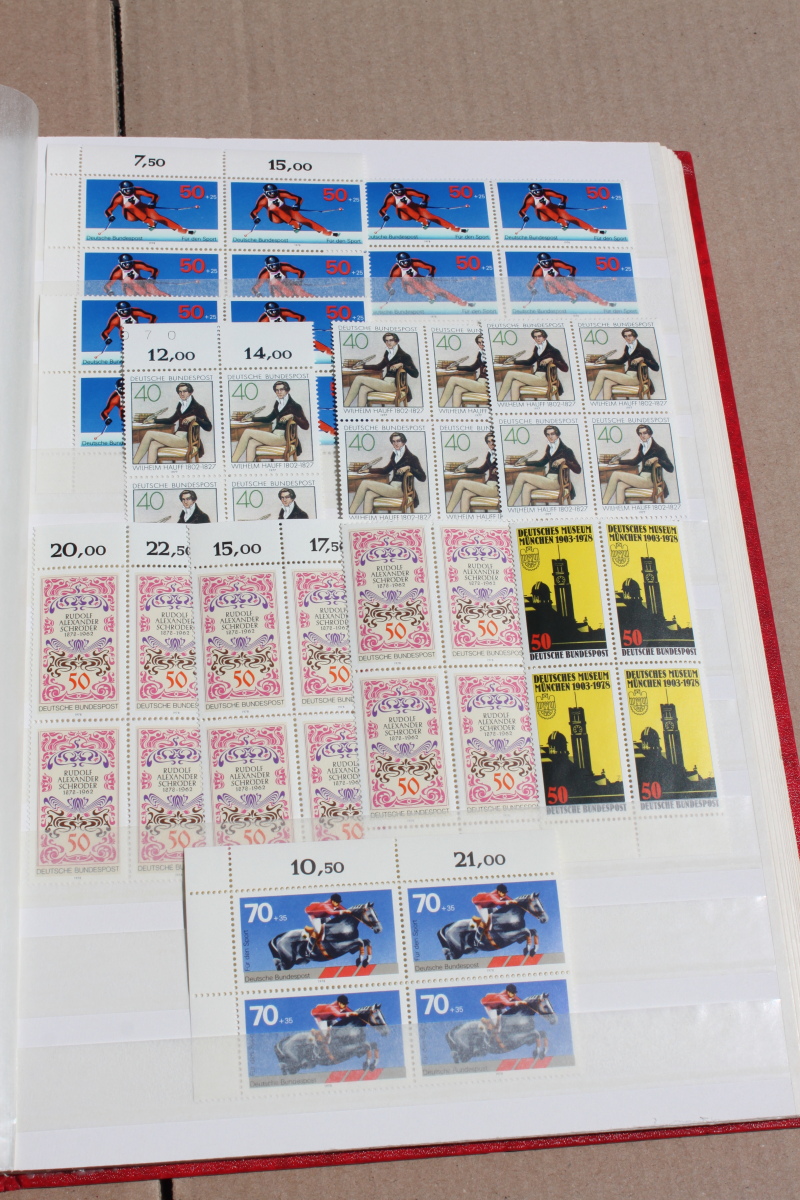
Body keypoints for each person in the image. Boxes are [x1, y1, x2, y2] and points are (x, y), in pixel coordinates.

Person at [133, 382, 213, 464]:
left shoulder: (198, 408)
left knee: (149, 433)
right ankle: (150, 468)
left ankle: (135, 463)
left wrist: (195, 418)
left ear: (190, 392)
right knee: (153, 444)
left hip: (186, 440)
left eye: (184, 391)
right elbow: (171, 420)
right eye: (180, 392)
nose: (182, 394)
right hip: (177, 437)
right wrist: (154, 421)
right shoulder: (181, 405)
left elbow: (209, 427)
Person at [231, 380, 310, 463]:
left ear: (287, 390)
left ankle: (233, 461)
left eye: (281, 389)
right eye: (277, 390)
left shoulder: (295, 406)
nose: (279, 392)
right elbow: (268, 418)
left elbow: (306, 426)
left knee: (247, 431)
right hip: (275, 436)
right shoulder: (278, 403)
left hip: (284, 438)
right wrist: (251, 419)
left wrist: (292, 416)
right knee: (252, 442)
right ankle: (248, 467)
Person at [349, 431, 426, 514]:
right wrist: (368, 470)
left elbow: (423, 477)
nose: (395, 444)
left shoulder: (412, 458)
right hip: (392, 487)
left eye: (398, 441)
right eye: (393, 441)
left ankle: (351, 513)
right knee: (369, 494)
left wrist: (409, 467)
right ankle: (365, 518)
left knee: (365, 483)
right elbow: (385, 470)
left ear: (403, 442)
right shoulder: (395, 455)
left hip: (401, 490)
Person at [507, 425, 582, 506]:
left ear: (557, 435)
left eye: (552, 434)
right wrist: (525, 463)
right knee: (526, 486)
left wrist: (564, 460)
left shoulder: (567, 450)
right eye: (548, 434)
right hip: (548, 479)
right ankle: (525, 511)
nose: (550, 437)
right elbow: (542, 462)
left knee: (522, 475)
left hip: (557, 482)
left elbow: (578, 470)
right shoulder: (550, 448)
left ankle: (509, 506)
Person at [601, 424, 674, 504]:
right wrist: (618, 462)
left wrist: (657, 459)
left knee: (615, 474)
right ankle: (620, 509)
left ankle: (604, 504)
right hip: (642, 478)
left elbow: (671, 468)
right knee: (620, 485)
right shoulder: (643, 446)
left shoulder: (659, 449)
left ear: (650, 434)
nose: (642, 436)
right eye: (640, 434)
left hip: (651, 480)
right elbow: (635, 461)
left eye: (645, 433)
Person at [343, 331, 420, 407]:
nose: (388, 343)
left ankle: (345, 406)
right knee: (363, 388)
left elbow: (415, 374)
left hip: (394, 385)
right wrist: (363, 367)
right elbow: (379, 366)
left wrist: (402, 365)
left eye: (391, 340)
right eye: (386, 341)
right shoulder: (388, 353)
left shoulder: (405, 356)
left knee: (358, 378)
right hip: (385, 382)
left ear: (396, 341)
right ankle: (360, 412)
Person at [496, 328, 570, 402]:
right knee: (515, 383)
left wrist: (552, 359)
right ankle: (514, 405)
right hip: (537, 377)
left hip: (545, 379)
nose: (537, 338)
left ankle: (499, 400)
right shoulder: (537, 348)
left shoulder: (554, 351)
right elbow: (529, 362)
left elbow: (565, 368)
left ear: (544, 337)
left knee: (510, 373)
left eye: (539, 336)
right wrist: (514, 362)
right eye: (535, 337)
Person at [588, 328, 661, 400]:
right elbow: (621, 361)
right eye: (625, 336)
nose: (627, 338)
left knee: (602, 372)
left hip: (637, 378)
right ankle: (605, 404)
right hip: (628, 376)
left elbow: (656, 368)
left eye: (630, 336)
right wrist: (605, 362)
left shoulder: (644, 350)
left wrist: (643, 359)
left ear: (635, 336)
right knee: (607, 382)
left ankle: (591, 399)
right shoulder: (628, 347)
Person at [249, 183, 339, 237]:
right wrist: (255, 218)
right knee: (272, 207)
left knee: (303, 219)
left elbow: (298, 198)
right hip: (275, 217)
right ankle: (294, 224)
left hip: (286, 210)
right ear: (266, 193)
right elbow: (254, 212)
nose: (273, 194)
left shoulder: (281, 193)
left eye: (274, 192)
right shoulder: (263, 200)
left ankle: (326, 232)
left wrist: (297, 204)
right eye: (270, 193)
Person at [386, 252, 474, 307]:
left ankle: (460, 302)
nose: (406, 264)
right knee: (407, 277)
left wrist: (431, 274)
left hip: (420, 281)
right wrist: (390, 289)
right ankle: (430, 295)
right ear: (398, 262)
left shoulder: (414, 262)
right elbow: (388, 283)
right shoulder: (396, 270)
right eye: (403, 262)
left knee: (436, 289)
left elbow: (431, 267)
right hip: (410, 288)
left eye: (408, 261)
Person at [104, 181, 195, 234]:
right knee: (128, 205)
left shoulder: (137, 190)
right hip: (130, 215)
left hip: (142, 208)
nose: (129, 192)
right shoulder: (118, 198)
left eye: (131, 189)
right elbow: (109, 210)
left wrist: (153, 202)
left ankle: (182, 230)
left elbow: (154, 195)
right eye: (126, 190)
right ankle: (149, 222)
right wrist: (110, 216)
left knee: (158, 217)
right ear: (122, 190)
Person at [528, 253, 614, 307]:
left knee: (579, 290)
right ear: (540, 263)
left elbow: (571, 268)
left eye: (548, 261)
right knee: (548, 277)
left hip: (561, 281)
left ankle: (603, 303)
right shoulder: (537, 270)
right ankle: (571, 294)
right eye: (544, 262)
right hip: (551, 288)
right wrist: (532, 289)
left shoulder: (555, 262)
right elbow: (531, 283)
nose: (547, 264)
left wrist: (571, 274)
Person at [378, 183, 467, 232]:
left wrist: (424, 202)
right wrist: (384, 215)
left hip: (414, 207)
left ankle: (454, 228)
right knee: (400, 205)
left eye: (401, 190)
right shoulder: (390, 198)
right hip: (403, 214)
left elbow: (424, 196)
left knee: (431, 216)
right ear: (393, 191)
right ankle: (423, 221)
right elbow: (382, 210)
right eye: (397, 191)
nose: (400, 192)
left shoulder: (408, 191)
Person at [519, 183, 604, 234]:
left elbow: (562, 196)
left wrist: (563, 202)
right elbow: (522, 211)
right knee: (539, 205)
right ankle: (562, 222)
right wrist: (524, 216)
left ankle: (591, 229)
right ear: (532, 192)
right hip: (543, 215)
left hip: (552, 208)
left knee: (569, 217)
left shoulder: (546, 191)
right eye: (536, 191)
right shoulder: (529, 199)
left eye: (540, 190)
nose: (539, 193)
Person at [446, 432, 498, 513]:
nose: (491, 443)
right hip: (488, 486)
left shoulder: (499, 453)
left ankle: (448, 512)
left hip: (495, 488)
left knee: (461, 482)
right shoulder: (490, 454)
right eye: (488, 442)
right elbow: (481, 469)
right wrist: (465, 470)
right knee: (466, 493)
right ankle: (463, 518)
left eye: (493, 441)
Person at [258, 301, 333, 356]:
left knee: (309, 340)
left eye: (276, 310)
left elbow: (301, 317)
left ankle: (330, 353)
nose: (275, 313)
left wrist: (299, 326)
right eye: (272, 311)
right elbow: (261, 333)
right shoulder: (264, 319)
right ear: (267, 312)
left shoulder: (283, 311)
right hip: (275, 337)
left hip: (288, 332)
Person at [438, 334, 488, 407]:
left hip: (486, 385)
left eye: (482, 342)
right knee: (457, 389)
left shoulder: (489, 354)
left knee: (452, 379)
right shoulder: (481, 354)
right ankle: (455, 412)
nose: (481, 344)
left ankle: (440, 406)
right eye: (479, 342)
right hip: (479, 382)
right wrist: (457, 368)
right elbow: (473, 367)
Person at [480, 984, 527, 1050]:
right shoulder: (501, 997)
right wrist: (518, 1003)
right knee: (498, 1028)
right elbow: (508, 1003)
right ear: (508, 992)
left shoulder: (512, 995)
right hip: (491, 1008)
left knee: (507, 1018)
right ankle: (488, 1031)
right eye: (512, 993)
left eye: (514, 993)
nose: (514, 994)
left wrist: (525, 1002)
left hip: (499, 1007)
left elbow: (520, 1000)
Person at [310, 995, 357, 1060]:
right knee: (327, 1039)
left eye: (346, 1004)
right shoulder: (332, 1008)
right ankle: (316, 1053)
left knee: (338, 1029)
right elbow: (338, 1014)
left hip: (329, 1019)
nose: (345, 1006)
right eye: (344, 1004)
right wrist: (349, 1014)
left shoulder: (343, 1006)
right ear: (339, 1003)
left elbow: (353, 1013)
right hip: (321, 1019)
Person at [104, 254, 170, 297]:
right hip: (129, 287)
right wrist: (109, 292)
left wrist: (152, 277)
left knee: (157, 292)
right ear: (120, 264)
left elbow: (154, 270)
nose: (127, 265)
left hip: (141, 282)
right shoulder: (117, 272)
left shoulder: (137, 264)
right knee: (127, 280)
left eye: (129, 263)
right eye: (125, 264)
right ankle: (146, 295)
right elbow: (107, 285)